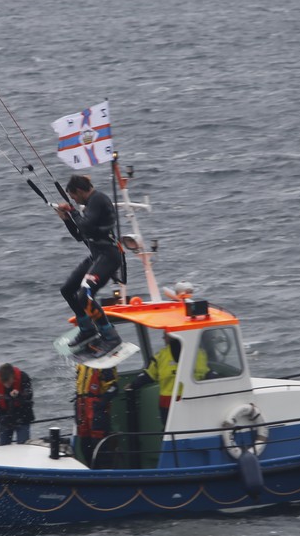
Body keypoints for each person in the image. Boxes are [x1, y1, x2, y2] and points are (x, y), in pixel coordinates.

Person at [55, 174, 123, 356]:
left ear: (79, 191)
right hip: (96, 256)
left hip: (108, 256)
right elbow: (80, 235)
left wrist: (72, 211)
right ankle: (87, 329)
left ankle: (110, 336)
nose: (75, 201)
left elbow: (85, 226)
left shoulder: (98, 199)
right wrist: (66, 219)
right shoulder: (90, 205)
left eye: (74, 197)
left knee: (84, 295)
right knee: (67, 290)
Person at [127, 334, 207, 425]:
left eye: (165, 335)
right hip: (194, 400)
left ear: (173, 336)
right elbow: (206, 372)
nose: (163, 338)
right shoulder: (199, 353)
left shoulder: (160, 356)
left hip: (169, 403)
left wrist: (132, 385)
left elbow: (149, 375)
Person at [74, 363, 118, 465]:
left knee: (99, 443)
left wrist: (101, 403)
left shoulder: (104, 364)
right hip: (82, 408)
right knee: (84, 444)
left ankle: (104, 469)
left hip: (96, 409)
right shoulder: (81, 365)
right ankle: (90, 468)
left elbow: (114, 388)